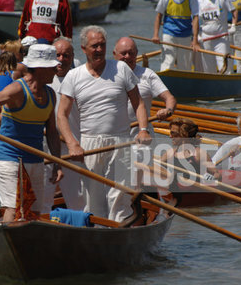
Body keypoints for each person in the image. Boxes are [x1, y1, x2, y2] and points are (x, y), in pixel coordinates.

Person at [57, 25, 151, 222]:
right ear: (84, 49)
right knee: (93, 201)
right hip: (90, 144)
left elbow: (138, 103)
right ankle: (99, 234)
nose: (99, 50)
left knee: (120, 197)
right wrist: (72, 143)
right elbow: (61, 115)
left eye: (102, 45)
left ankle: (119, 233)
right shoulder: (74, 76)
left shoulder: (121, 68)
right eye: (94, 46)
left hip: (121, 143)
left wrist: (143, 130)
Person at [0, 44, 63, 223]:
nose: (57, 70)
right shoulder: (17, 90)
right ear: (41, 68)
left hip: (35, 158)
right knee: (13, 207)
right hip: (9, 156)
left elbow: (53, 134)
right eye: (53, 66)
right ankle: (9, 241)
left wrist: (57, 164)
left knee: (34, 210)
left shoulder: (50, 94)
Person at [43, 37, 84, 212]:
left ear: (73, 57)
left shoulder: (81, 80)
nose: (61, 59)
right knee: (42, 201)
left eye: (66, 55)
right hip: (46, 150)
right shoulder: (42, 80)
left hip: (73, 150)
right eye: (57, 55)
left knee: (79, 202)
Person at [112, 36, 177, 137]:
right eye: (123, 53)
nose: (128, 56)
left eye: (131, 53)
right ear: (114, 54)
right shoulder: (107, 75)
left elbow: (169, 98)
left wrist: (168, 110)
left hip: (142, 135)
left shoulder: (148, 74)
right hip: (115, 136)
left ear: (136, 53)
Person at [152, 0, 200, 71]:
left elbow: (195, 18)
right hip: (169, 34)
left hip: (185, 35)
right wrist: (156, 35)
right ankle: (165, 82)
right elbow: (158, 16)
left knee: (185, 65)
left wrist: (195, 39)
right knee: (167, 62)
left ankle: (183, 83)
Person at [198, 0, 237, 74]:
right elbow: (195, 19)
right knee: (208, 69)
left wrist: (233, 25)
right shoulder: (199, 1)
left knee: (225, 66)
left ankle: (227, 84)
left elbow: (234, 11)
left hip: (221, 38)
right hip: (206, 39)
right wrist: (197, 35)